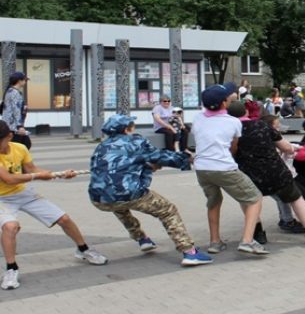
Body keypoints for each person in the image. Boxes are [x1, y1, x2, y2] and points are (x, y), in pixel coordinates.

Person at [88, 115, 212, 266]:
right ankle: (189, 252)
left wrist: (145, 166)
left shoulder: (102, 146)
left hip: (99, 198)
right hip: (130, 194)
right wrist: (186, 159)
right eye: (132, 126)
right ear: (127, 129)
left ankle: (142, 239)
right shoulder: (135, 141)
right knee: (167, 210)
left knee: (119, 204)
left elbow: (118, 168)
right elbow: (160, 156)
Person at [0, 120, 108, 290]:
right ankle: (11, 269)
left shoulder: (19, 149)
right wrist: (39, 176)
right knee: (10, 227)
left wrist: (58, 174)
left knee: (64, 219)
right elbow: (9, 179)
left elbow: (31, 169)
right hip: (2, 199)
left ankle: (83, 249)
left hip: (24, 193)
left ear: (9, 136)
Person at [228, 102, 305, 247]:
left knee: (248, 201)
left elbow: (231, 151)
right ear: (246, 112)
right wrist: (294, 148)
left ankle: (258, 233)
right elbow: (286, 148)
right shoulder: (262, 125)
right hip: (276, 171)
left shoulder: (229, 130)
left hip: (248, 174)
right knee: (295, 198)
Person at [192, 84, 269, 255]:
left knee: (213, 202)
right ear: (224, 103)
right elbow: (233, 148)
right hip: (223, 167)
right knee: (254, 198)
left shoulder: (198, 119)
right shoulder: (234, 122)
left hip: (201, 168)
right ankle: (247, 241)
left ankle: (215, 242)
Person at [1, 71, 31, 150]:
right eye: (25, 80)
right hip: (13, 127)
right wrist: (20, 126)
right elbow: (16, 110)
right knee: (24, 145)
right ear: (19, 81)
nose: (25, 82)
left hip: (8, 125)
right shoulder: (15, 93)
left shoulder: (9, 91)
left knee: (21, 146)